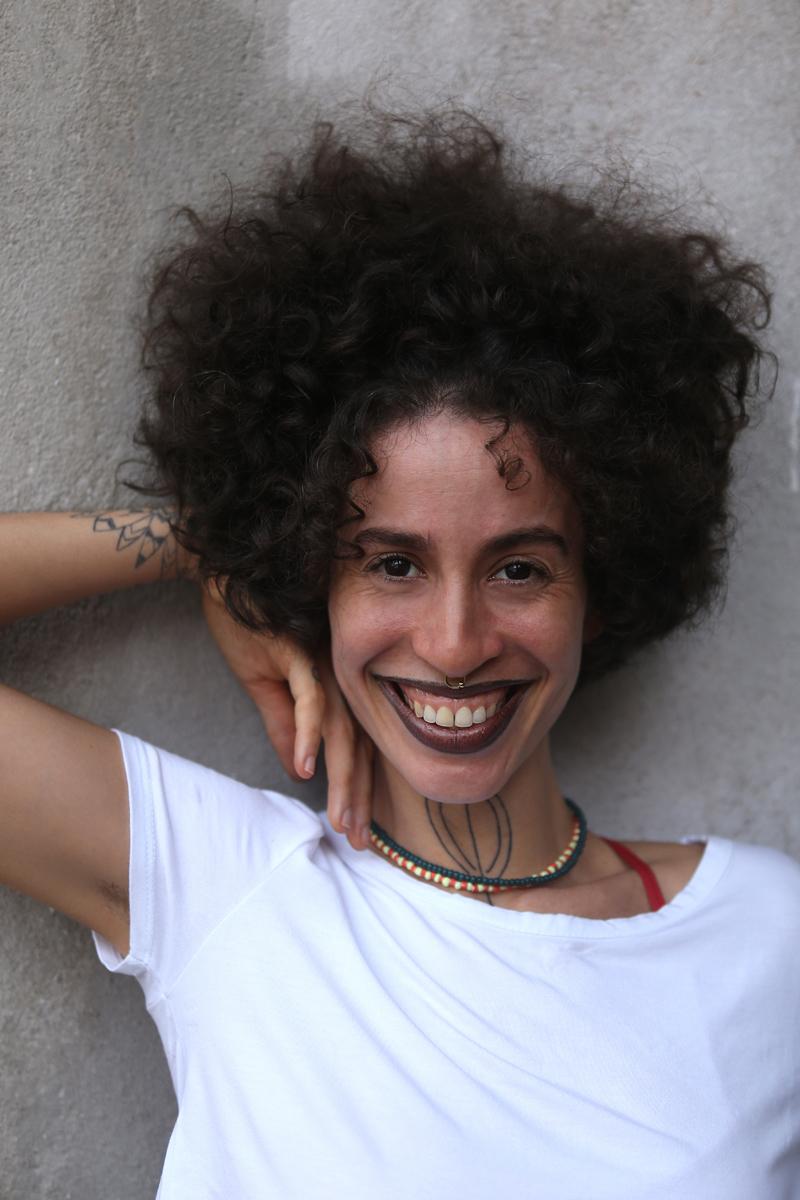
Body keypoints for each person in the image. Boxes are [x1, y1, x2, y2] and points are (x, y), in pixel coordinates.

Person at [1, 112, 798, 1199]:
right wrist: (207, 548)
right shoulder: (226, 892)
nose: (455, 643)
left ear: (601, 585)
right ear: (308, 573)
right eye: (390, 564)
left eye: (519, 569)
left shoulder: (762, 931)